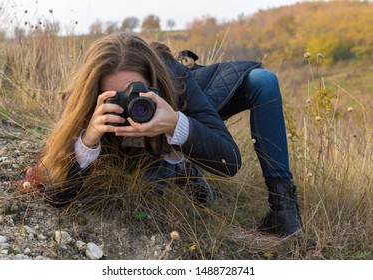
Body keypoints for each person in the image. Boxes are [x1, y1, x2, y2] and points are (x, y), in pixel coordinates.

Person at [37, 31, 302, 238]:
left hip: (177, 108)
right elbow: (53, 194)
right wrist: (89, 139)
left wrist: (176, 124)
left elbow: (229, 162)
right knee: (155, 183)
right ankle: (183, 168)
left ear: (155, 83)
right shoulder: (86, 99)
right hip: (133, 152)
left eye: (137, 92)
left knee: (263, 81)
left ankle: (284, 208)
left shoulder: (176, 80)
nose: (130, 103)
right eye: (116, 97)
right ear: (97, 92)